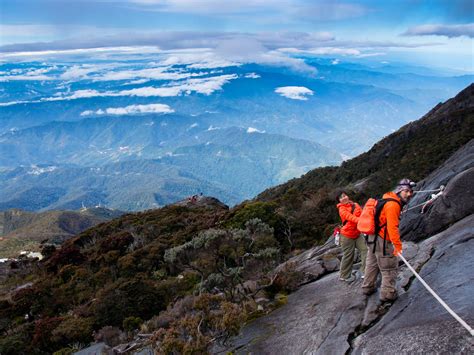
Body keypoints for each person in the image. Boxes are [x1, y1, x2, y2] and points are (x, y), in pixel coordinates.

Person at [361, 178, 415, 301]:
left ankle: (367, 287)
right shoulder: (393, 205)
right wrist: (398, 246)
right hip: (382, 239)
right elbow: (392, 228)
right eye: (406, 191)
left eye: (410, 192)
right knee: (389, 266)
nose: (409, 194)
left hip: (371, 237)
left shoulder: (387, 198)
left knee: (372, 263)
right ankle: (388, 294)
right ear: (399, 190)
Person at [336, 190, 367, 282]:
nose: (344, 198)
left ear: (347, 196)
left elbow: (363, 214)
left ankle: (366, 272)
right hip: (347, 236)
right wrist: (360, 221)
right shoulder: (341, 209)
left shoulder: (356, 205)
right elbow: (350, 217)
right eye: (341, 197)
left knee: (365, 250)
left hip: (357, 233)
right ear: (339, 201)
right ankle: (344, 275)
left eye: (345, 196)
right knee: (349, 255)